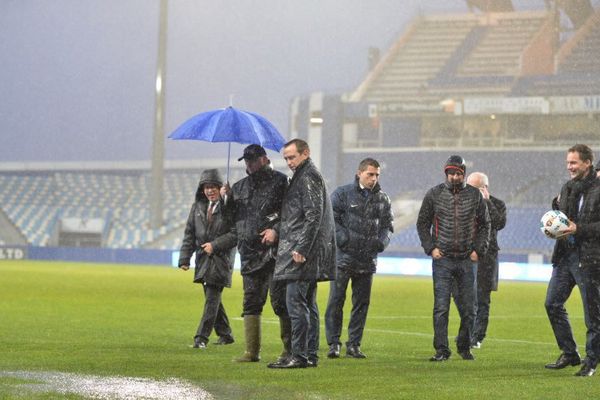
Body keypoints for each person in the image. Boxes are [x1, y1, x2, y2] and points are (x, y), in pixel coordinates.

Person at [268, 138, 336, 369]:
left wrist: (301, 248)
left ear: (305, 153)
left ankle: (299, 355)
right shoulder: (304, 176)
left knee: (295, 304)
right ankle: (308, 354)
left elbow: (313, 215)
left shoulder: (308, 177)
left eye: (292, 157)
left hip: (300, 253)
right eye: (286, 158)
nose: (288, 162)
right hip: (304, 251)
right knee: (307, 304)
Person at [221, 144, 291, 363]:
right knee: (250, 302)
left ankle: (289, 350)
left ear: (264, 159)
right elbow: (230, 221)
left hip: (274, 253)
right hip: (249, 253)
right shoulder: (239, 187)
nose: (249, 164)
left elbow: (290, 213)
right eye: (247, 160)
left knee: (280, 301)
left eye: (253, 159)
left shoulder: (281, 182)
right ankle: (252, 352)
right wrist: (226, 200)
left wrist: (276, 230)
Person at [416, 155, 490, 361]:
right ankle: (441, 350)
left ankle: (464, 346)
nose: (454, 177)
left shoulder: (475, 195)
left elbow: (486, 225)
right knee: (441, 307)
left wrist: (478, 250)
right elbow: (422, 223)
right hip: (443, 260)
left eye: (458, 173)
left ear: (464, 174)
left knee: (469, 309)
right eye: (451, 173)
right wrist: (431, 248)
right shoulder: (434, 194)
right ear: (446, 173)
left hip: (467, 259)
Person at [324, 158, 394, 359]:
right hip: (344, 258)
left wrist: (381, 243)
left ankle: (354, 345)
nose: (374, 178)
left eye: (377, 174)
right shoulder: (342, 194)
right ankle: (334, 343)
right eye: (370, 174)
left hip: (367, 259)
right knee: (336, 301)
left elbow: (388, 226)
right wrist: (343, 239)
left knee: (361, 304)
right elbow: (330, 219)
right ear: (359, 173)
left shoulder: (383, 199)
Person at [544, 144, 599, 376]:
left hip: (590, 259)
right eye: (568, 162)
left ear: (587, 163)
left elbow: (582, 226)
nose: (569, 167)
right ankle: (569, 352)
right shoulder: (567, 187)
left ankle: (592, 360)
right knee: (552, 304)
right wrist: (552, 223)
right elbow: (562, 217)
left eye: (574, 162)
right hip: (565, 256)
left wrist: (579, 229)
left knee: (593, 313)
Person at [178, 168, 237, 349]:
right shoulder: (197, 207)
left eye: (213, 187)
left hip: (221, 260)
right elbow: (190, 233)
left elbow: (235, 234)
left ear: (221, 188)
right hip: (203, 260)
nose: (210, 190)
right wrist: (184, 258)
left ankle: (201, 337)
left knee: (212, 299)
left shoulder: (230, 207)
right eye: (206, 187)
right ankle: (226, 334)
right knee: (213, 299)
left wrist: (215, 245)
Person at [465, 172, 506, 349]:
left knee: (482, 299)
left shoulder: (497, 204)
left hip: (487, 258)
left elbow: (499, 223)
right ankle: (466, 334)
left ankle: (477, 337)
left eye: (474, 188)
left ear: (485, 188)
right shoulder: (462, 202)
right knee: (466, 299)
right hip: (465, 256)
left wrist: (487, 202)